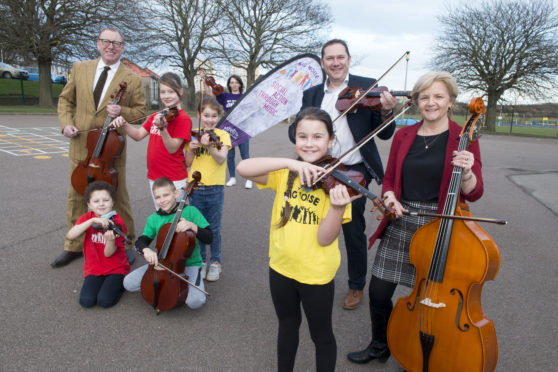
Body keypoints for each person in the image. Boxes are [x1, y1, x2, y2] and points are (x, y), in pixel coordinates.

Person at [347, 71, 483, 365]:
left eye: (438, 96)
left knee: (431, 297)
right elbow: (390, 179)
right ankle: (380, 345)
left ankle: (422, 353)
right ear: (417, 101)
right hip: (403, 217)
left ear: (450, 101)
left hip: (440, 225)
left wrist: (469, 173)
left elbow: (474, 192)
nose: (430, 103)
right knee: (379, 292)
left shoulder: (464, 137)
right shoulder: (403, 135)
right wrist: (390, 196)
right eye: (424, 97)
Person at [237, 107, 355, 372]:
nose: (310, 143)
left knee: (321, 336)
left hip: (315, 274)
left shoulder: (337, 185)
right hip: (280, 267)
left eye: (317, 136)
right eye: (302, 136)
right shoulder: (284, 174)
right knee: (287, 326)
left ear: (330, 140)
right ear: (295, 139)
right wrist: (290, 163)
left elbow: (325, 239)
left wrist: (336, 209)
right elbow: (242, 167)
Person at [288, 39, 397, 310]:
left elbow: (384, 133)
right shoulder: (312, 93)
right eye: (329, 58)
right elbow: (297, 130)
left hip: (354, 169)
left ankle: (356, 285)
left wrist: (386, 112)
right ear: (323, 63)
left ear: (348, 58)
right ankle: (306, 275)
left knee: (352, 229)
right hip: (319, 165)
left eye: (340, 57)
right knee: (309, 219)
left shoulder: (368, 86)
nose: (335, 62)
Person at [53, 27, 145, 268]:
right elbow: (66, 100)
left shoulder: (132, 78)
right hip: (81, 145)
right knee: (76, 195)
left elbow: (140, 114)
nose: (110, 46)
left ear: (123, 47)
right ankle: (73, 246)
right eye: (106, 41)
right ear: (98, 43)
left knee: (118, 196)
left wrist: (122, 111)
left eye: (116, 43)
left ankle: (126, 243)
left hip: (111, 150)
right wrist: (66, 124)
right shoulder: (80, 68)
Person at [123, 177, 212, 310]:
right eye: (158, 197)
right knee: (128, 283)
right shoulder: (154, 219)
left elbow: (209, 238)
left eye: (166, 195)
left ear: (176, 193)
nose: (162, 200)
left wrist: (192, 226)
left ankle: (182, 285)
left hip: (189, 265)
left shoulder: (191, 212)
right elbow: (141, 241)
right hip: (162, 262)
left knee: (195, 301)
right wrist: (146, 250)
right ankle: (174, 288)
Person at [110, 72, 192, 208]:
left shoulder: (183, 119)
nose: (166, 96)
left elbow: (172, 148)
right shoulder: (158, 115)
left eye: (171, 91)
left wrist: (163, 128)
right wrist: (125, 123)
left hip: (174, 179)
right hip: (154, 177)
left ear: (180, 91)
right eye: (163, 92)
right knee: (160, 218)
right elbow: (138, 135)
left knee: (173, 222)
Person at [185, 97, 231, 282]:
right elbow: (188, 162)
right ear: (199, 115)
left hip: (215, 188)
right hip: (195, 188)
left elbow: (220, 158)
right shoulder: (194, 133)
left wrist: (209, 145)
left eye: (213, 116)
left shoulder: (222, 135)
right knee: (197, 227)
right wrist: (192, 149)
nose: (210, 119)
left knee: (214, 227)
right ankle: (201, 260)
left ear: (218, 116)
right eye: (206, 115)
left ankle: (216, 262)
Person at [66, 181, 130, 308]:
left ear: (112, 202)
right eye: (96, 201)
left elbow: (108, 253)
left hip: (115, 267)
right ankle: (105, 283)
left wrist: (110, 240)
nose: (101, 204)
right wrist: (92, 221)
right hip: (94, 268)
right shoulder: (87, 218)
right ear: (89, 204)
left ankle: (121, 282)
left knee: (104, 301)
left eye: (106, 200)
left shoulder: (117, 222)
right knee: (86, 301)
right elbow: (70, 235)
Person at [201, 71, 252, 188]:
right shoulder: (224, 96)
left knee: (245, 155)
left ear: (240, 84)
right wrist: (205, 81)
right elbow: (209, 93)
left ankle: (249, 179)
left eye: (236, 82)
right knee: (230, 155)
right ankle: (232, 178)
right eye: (231, 82)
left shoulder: (244, 96)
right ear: (229, 85)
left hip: (242, 129)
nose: (234, 84)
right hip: (228, 129)